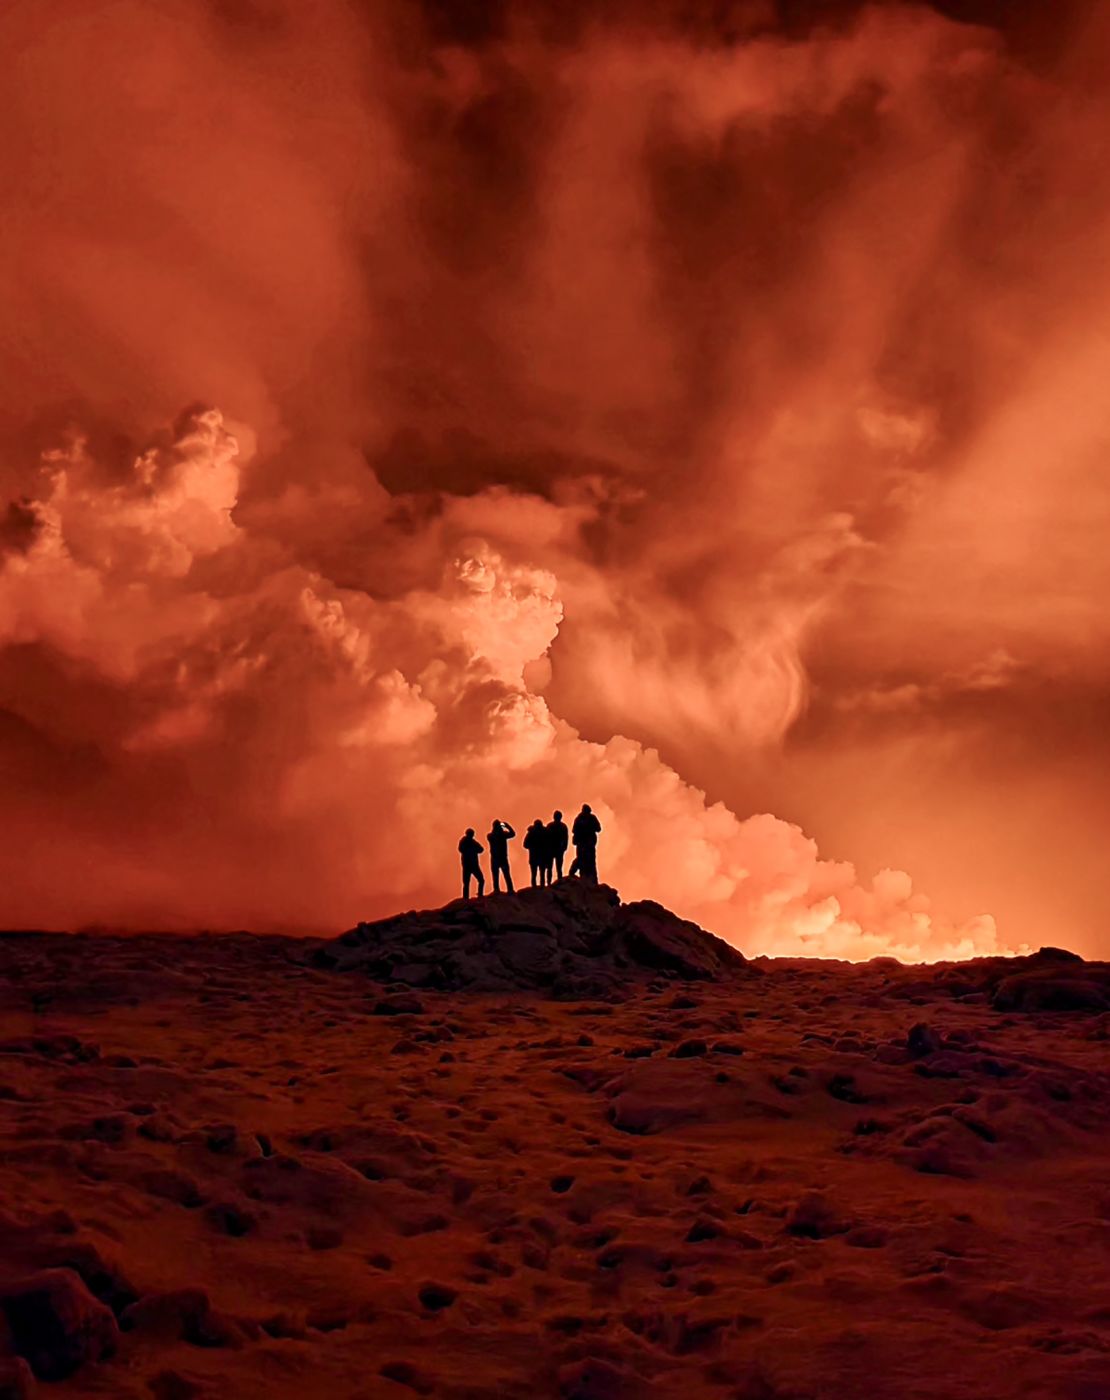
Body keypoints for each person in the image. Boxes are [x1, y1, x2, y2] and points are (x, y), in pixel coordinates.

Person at [571, 803, 602, 882]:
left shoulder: (588, 818)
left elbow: (598, 829)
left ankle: (591, 879)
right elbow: (574, 830)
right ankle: (583, 877)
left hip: (588, 843)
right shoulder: (580, 819)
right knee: (583, 860)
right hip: (583, 843)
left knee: (589, 860)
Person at [487, 819, 516, 894]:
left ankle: (497, 890)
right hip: (502, 858)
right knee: (506, 875)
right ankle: (510, 890)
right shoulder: (503, 835)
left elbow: (512, 834)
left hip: (495, 858)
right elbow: (513, 834)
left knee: (496, 875)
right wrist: (506, 825)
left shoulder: (490, 836)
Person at [458, 828, 485, 899]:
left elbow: (481, 849)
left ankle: (478, 895)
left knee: (480, 880)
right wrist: (472, 850)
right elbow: (461, 849)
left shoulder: (472, 842)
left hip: (472, 865)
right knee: (468, 882)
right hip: (469, 865)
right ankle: (467, 898)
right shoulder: (465, 841)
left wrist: (473, 849)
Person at [523, 818, 549, 887]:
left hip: (535, 856)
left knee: (534, 873)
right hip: (541, 856)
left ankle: (535, 887)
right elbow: (549, 844)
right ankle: (541, 887)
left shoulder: (531, 833)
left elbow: (525, 844)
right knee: (541, 873)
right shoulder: (545, 832)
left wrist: (532, 847)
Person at [545, 809, 569, 882]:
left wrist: (564, 847)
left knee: (556, 868)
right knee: (552, 868)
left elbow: (566, 838)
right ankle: (553, 882)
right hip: (553, 849)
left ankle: (557, 881)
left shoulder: (551, 826)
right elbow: (545, 838)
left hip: (556, 849)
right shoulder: (561, 826)